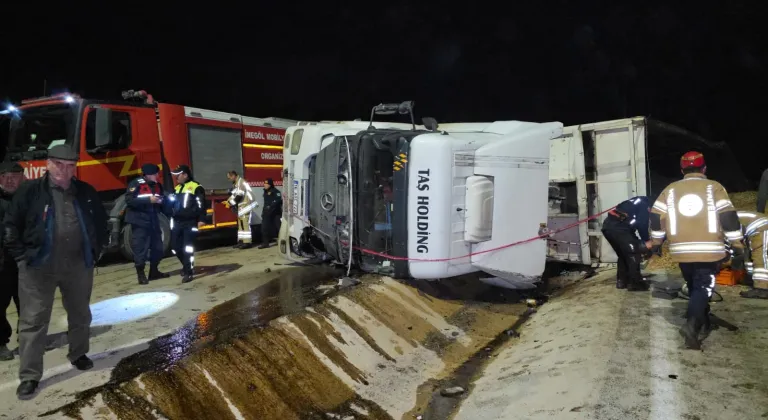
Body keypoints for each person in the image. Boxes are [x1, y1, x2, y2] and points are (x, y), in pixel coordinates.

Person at [2, 145, 108, 399]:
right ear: (48, 164)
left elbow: (101, 222)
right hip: (38, 267)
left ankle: (79, 354)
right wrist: (21, 258)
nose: (64, 170)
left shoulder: (85, 192)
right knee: (33, 321)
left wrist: (97, 250)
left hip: (78, 265)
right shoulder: (30, 191)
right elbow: (10, 226)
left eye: (70, 165)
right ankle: (29, 375)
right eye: (59, 164)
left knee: (81, 313)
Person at [650, 151, 744, 350]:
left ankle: (702, 317)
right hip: (709, 250)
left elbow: (656, 218)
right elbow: (728, 217)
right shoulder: (714, 187)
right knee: (703, 286)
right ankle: (692, 327)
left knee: (694, 284)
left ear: (682, 170)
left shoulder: (670, 189)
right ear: (704, 169)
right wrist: (737, 244)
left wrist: (657, 243)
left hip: (681, 251)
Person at [125, 163, 169, 285]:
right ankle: (141, 275)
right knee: (141, 248)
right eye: (155, 174)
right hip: (139, 221)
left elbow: (163, 197)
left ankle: (154, 272)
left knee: (158, 247)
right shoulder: (136, 184)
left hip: (153, 220)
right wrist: (148, 200)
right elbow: (129, 200)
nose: (157, 176)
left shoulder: (157, 185)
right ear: (149, 175)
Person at [601, 196, 651, 291]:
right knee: (633, 253)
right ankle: (635, 283)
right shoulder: (645, 205)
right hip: (619, 229)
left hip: (607, 228)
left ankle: (622, 281)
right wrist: (646, 240)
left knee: (623, 254)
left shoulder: (634, 201)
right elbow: (642, 224)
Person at [0, 162, 24, 361]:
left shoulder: (28, 199)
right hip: (1, 263)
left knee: (28, 304)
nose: (9, 180)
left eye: (14, 176)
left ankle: (28, 340)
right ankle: (1, 343)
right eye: (5, 176)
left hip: (24, 262)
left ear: (22, 178)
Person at [169, 165, 206, 283]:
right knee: (175, 247)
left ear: (185, 175)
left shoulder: (196, 187)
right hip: (177, 222)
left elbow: (202, 205)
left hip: (190, 222)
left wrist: (201, 219)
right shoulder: (177, 188)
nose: (176, 178)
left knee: (187, 248)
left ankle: (188, 272)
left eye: (178, 175)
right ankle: (187, 265)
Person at [736, 211, 768, 299]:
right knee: (749, 256)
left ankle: (762, 289)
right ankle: (754, 281)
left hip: (761, 227)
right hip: (751, 229)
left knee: (760, 256)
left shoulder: (716, 221)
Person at [226, 171, 257, 249]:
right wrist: (228, 201)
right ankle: (241, 241)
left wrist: (230, 203)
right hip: (242, 206)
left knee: (245, 224)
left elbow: (239, 196)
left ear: (233, 176)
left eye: (229, 178)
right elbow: (234, 195)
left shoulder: (241, 182)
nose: (229, 179)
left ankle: (247, 242)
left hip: (246, 205)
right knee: (241, 224)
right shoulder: (237, 183)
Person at [259, 178, 283, 249]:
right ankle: (265, 243)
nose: (265, 185)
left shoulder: (276, 191)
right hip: (267, 213)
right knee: (264, 228)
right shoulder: (265, 192)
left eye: (266, 184)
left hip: (276, 213)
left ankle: (283, 241)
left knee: (279, 227)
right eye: (264, 183)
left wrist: (271, 206)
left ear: (270, 184)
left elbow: (278, 201)